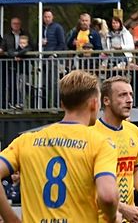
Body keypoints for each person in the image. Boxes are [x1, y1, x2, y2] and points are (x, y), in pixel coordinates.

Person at [0, 70, 119, 223]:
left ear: (62, 104)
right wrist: (112, 218)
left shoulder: (25, 141)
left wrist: (11, 220)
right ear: (94, 103)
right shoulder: (101, 143)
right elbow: (108, 196)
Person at [95, 75, 138, 223]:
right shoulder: (92, 133)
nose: (129, 100)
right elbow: (85, 187)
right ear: (106, 100)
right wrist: (122, 208)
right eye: (122, 95)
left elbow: (135, 168)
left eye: (131, 94)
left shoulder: (133, 131)